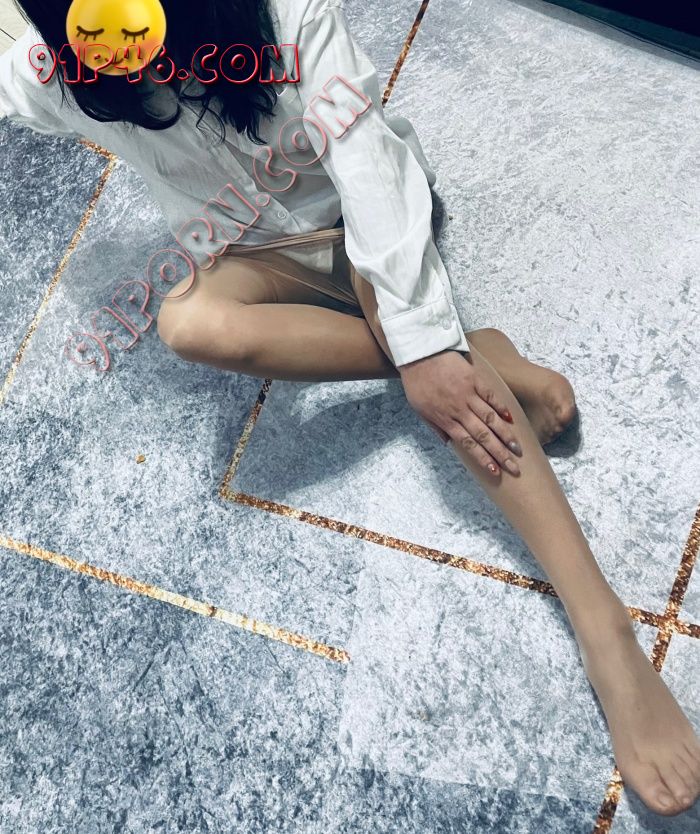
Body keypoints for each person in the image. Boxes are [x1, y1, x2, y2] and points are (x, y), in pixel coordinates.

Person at [1, 0, 698, 817]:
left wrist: (421, 337)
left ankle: (605, 632)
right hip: (256, 255)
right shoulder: (60, 68)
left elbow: (367, 162)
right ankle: (480, 352)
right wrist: (421, 350)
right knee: (188, 322)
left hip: (364, 218)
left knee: (431, 358)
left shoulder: (285, 13)